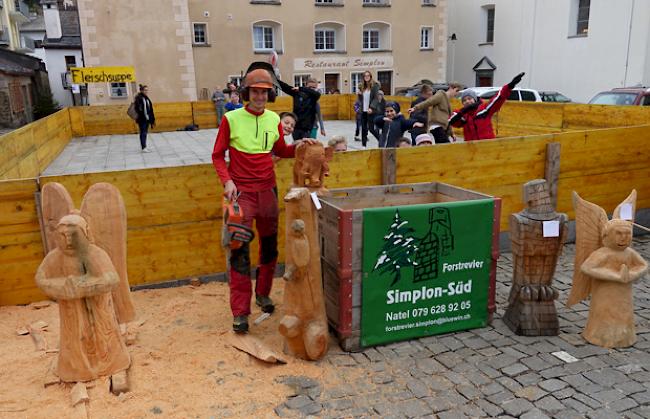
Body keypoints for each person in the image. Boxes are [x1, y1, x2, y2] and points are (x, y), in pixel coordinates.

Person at [212, 64, 314, 333]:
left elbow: (280, 149)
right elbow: (217, 155)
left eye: (264, 92)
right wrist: (228, 181)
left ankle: (264, 294)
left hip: (267, 191)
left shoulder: (272, 120)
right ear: (247, 92)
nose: (259, 96)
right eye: (255, 91)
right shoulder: (231, 119)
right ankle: (240, 311)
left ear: (269, 95)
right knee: (239, 250)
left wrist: (299, 147)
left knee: (269, 248)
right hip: (241, 194)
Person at [449, 72, 525, 141]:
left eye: (469, 98)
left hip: (487, 146)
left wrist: (510, 86)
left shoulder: (484, 109)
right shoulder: (464, 115)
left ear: (475, 99)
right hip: (471, 150)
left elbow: (498, 98)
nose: (467, 101)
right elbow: (451, 121)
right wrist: (463, 111)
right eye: (464, 100)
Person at [278, 77, 322, 141]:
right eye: (310, 87)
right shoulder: (297, 93)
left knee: (305, 147)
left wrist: (301, 88)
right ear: (306, 85)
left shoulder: (315, 96)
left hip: (307, 129)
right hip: (296, 127)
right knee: (296, 146)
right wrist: (274, 79)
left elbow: (317, 94)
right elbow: (285, 87)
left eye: (314, 88)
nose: (312, 89)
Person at [357, 71, 381, 147]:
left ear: (370, 76)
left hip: (371, 111)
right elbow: (360, 100)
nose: (366, 77)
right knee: (363, 129)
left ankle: (381, 140)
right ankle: (364, 145)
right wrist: (359, 95)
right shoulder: (361, 86)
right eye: (365, 76)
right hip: (363, 110)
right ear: (363, 77)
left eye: (368, 76)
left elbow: (376, 98)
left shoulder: (375, 86)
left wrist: (371, 108)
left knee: (371, 129)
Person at [134, 84, 155, 153]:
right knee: (143, 132)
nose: (146, 91)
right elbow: (137, 108)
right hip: (142, 119)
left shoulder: (146, 98)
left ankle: (144, 146)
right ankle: (143, 147)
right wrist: (141, 112)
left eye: (147, 90)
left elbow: (149, 108)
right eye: (145, 90)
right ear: (142, 90)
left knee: (145, 132)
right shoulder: (139, 98)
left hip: (147, 118)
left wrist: (151, 118)